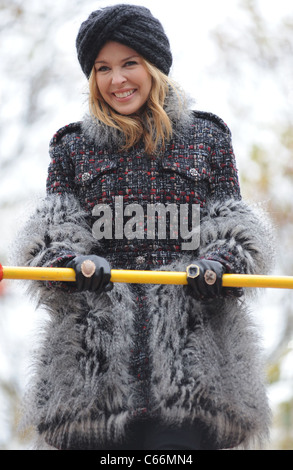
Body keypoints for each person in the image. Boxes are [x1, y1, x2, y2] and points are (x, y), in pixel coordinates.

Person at [16, 4, 274, 450]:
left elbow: (234, 226)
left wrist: (218, 263)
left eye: (129, 63)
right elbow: (50, 234)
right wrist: (72, 263)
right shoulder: (71, 147)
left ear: (155, 66)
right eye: (103, 68)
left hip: (196, 374)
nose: (117, 80)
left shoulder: (208, 138)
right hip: (91, 377)